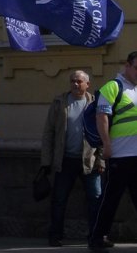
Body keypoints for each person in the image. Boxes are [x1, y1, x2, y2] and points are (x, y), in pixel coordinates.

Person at [39, 70, 102, 247]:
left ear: (87, 84)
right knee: (59, 199)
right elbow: (49, 132)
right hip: (65, 160)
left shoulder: (95, 103)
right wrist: (46, 161)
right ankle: (55, 235)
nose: (75, 84)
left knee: (96, 199)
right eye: (73, 81)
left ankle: (96, 236)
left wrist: (101, 160)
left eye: (79, 82)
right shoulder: (60, 102)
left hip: (89, 160)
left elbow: (103, 133)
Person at [88, 52, 137, 251]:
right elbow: (102, 118)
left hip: (135, 155)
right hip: (120, 156)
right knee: (110, 200)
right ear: (127, 66)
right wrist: (106, 145)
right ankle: (96, 238)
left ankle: (98, 237)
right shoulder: (114, 87)